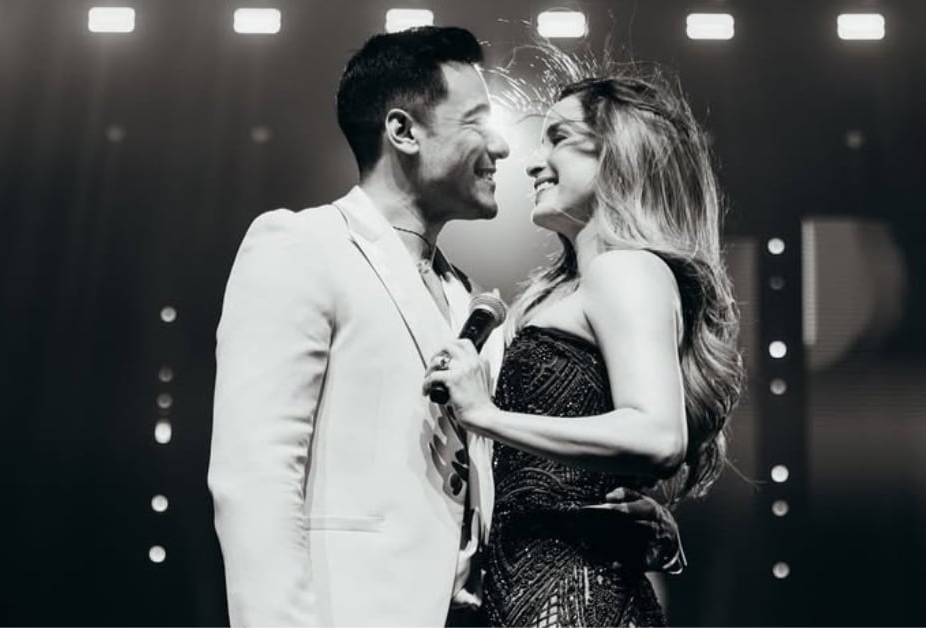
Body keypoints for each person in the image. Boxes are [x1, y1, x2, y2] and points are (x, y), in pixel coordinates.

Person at [208, 27, 683, 627]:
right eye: (477, 122)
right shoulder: (301, 245)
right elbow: (255, 480)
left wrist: (602, 518)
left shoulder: (472, 300)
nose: (503, 147)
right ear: (403, 131)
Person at [423, 71, 744, 626]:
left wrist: (486, 415)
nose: (532, 163)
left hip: (573, 600)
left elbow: (657, 436)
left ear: (617, 154)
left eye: (559, 138)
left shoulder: (625, 270)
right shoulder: (572, 287)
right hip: (529, 596)